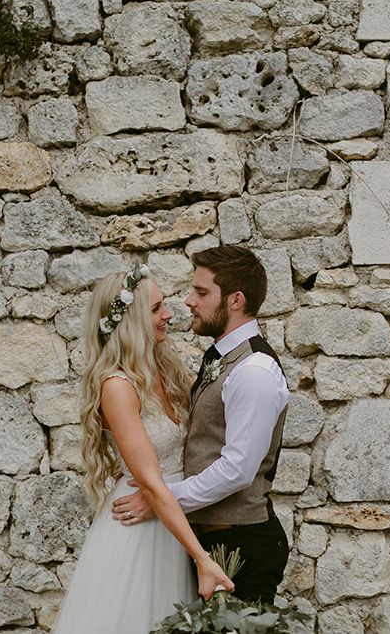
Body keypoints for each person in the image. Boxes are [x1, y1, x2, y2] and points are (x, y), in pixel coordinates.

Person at [51, 264, 233, 634]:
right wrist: (202, 559)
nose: (168, 315)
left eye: (162, 305)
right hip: (141, 529)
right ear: (129, 322)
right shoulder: (118, 386)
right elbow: (150, 481)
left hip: (173, 518)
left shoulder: (166, 370)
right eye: (154, 309)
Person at [112, 245, 290, 605]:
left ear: (235, 300)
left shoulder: (253, 371)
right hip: (209, 538)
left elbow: (238, 470)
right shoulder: (223, 360)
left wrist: (161, 499)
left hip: (241, 544)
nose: (189, 300)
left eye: (202, 291)